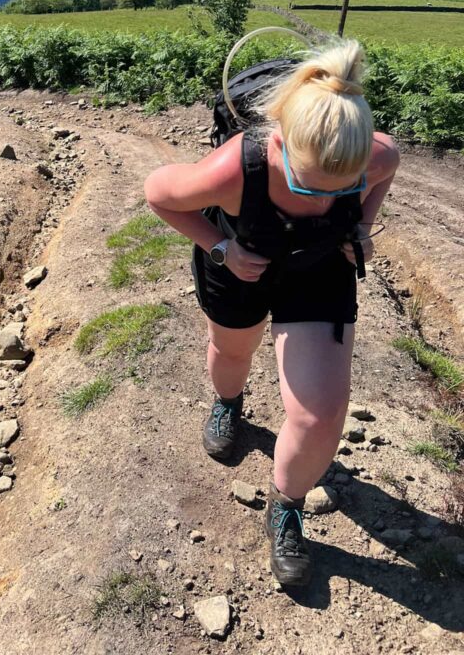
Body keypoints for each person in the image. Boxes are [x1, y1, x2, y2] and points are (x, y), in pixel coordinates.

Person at [144, 39, 399, 586]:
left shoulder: (372, 156)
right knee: (233, 351)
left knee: (321, 413)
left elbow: (386, 168)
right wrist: (221, 249)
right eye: (309, 185)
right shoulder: (238, 166)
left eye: (346, 186)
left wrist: (357, 225)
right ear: (279, 143)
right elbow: (160, 193)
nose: (323, 198)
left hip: (319, 268)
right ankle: (228, 402)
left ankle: (286, 504)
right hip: (242, 261)